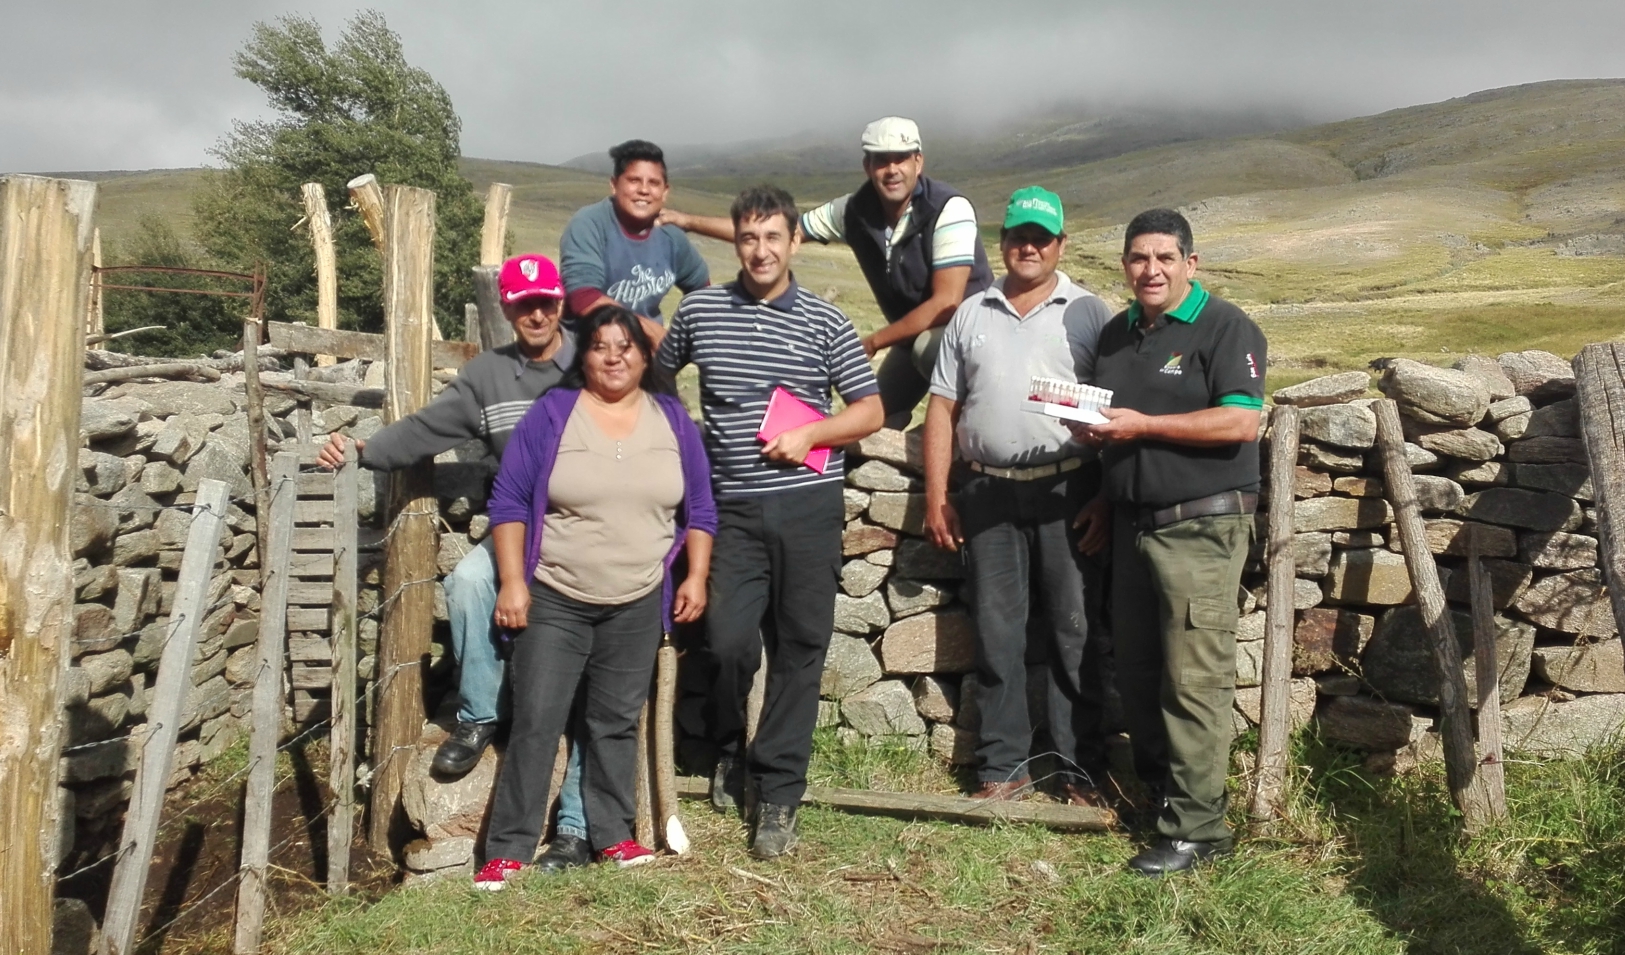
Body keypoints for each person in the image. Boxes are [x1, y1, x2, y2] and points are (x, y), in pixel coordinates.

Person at [316, 253, 597, 872]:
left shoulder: (591, 359)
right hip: (520, 530)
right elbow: (425, 429)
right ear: (507, 308)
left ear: (561, 303)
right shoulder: (488, 377)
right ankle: (478, 716)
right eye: (523, 304)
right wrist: (364, 449)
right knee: (470, 579)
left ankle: (578, 823)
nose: (537, 313)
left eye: (547, 301)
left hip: (591, 535)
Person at [656, 185, 884, 859]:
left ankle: (780, 793)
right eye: (748, 237)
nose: (760, 250)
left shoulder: (824, 321)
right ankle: (730, 744)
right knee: (725, 640)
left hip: (809, 505)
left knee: (801, 647)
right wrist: (686, 447)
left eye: (772, 237)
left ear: (793, 242)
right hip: (729, 508)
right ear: (735, 240)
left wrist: (813, 430)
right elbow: (661, 378)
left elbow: (868, 410)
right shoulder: (699, 311)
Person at [474, 305, 717, 890]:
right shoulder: (554, 413)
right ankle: (507, 848)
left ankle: (613, 835)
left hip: (638, 598)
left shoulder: (672, 420)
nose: (614, 356)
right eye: (601, 346)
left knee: (613, 721)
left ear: (645, 355)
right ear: (583, 355)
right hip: (557, 594)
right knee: (537, 718)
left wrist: (696, 576)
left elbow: (701, 510)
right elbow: (508, 501)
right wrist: (512, 582)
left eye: (626, 346)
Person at [1072, 208, 1267, 876]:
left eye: (1163, 257)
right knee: (1138, 669)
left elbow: (1241, 421)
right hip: (1131, 524)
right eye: (1136, 258)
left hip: (1200, 524)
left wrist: (1143, 426)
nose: (1149, 270)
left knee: (1192, 678)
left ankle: (1198, 830)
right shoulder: (1115, 333)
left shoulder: (1224, 325)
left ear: (1191, 262)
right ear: (1123, 265)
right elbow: (1112, 426)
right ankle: (1162, 799)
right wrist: (1100, 474)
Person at [922, 187, 1115, 809]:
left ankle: (1078, 769)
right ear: (1000, 243)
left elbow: (1116, 414)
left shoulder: (1090, 313)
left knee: (1074, 630)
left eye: (1041, 237)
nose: (1028, 246)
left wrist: (1108, 495)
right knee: (997, 631)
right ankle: (1002, 766)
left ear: (1061, 244)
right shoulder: (972, 313)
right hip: (986, 492)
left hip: (1070, 489)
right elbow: (942, 408)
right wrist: (935, 496)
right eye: (1017, 235)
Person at [660, 117, 992, 428]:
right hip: (910, 335)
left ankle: (974, 432)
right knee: (873, 418)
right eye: (881, 160)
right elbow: (774, 230)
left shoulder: (949, 209)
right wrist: (688, 222)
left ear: (918, 162)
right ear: (868, 166)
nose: (892, 170)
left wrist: (875, 341)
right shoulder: (854, 211)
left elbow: (947, 302)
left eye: (901, 159)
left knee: (928, 350)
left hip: (969, 334)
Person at [559, 139, 711, 348]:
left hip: (645, 358)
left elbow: (702, 292)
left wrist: (684, 338)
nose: (644, 190)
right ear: (614, 185)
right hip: (587, 352)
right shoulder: (589, 224)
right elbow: (584, 298)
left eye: (653, 183)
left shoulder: (671, 235)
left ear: (665, 191)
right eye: (634, 181)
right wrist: (649, 332)